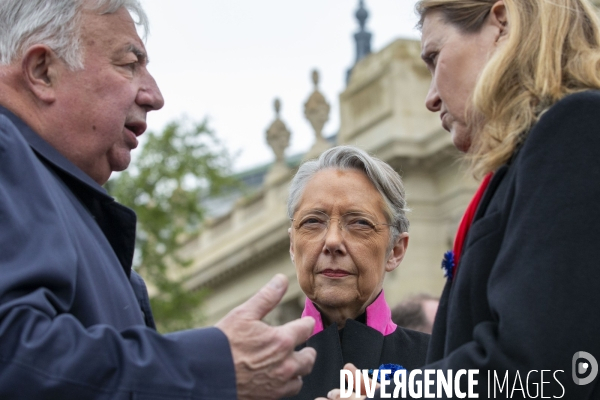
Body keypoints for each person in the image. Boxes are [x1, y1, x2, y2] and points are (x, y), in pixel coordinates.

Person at [0, 1, 316, 399]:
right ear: (42, 71)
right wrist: (211, 368)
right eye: (130, 64)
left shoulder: (62, 196)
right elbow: (13, 358)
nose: (154, 95)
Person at [320, 0, 600, 398]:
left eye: (434, 58)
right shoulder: (536, 156)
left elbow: (543, 368)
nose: (430, 97)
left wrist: (389, 393)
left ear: (501, 24)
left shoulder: (575, 129)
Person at [284, 146, 430, 400]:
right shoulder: (255, 372)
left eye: (359, 223)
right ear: (292, 246)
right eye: (312, 222)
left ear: (395, 250)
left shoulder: (442, 365)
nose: (332, 241)